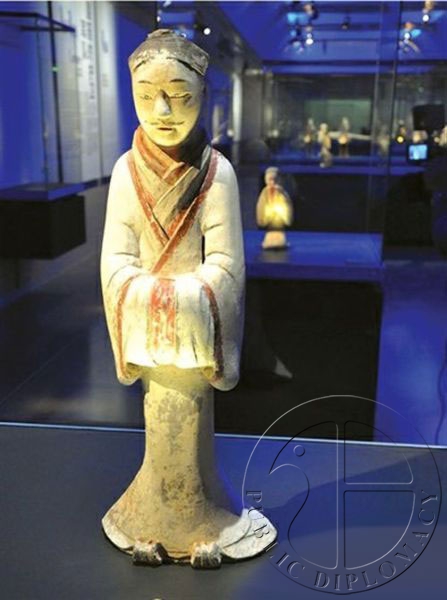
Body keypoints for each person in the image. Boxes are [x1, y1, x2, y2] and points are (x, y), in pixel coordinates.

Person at [100, 29, 275, 568]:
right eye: (147, 95)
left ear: (204, 94)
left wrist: (187, 300)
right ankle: (149, 517)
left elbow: (227, 265)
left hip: (195, 336)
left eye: (180, 95)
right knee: (159, 427)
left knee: (194, 431)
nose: (163, 110)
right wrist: (148, 297)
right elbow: (114, 261)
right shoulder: (125, 173)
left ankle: (206, 516)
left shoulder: (217, 172)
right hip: (156, 339)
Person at [256, 166, 293, 249]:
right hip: (269, 223)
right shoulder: (264, 193)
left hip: (280, 224)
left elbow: (288, 208)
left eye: (275, 180)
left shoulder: (282, 193)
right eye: (270, 180)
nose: (272, 182)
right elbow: (261, 208)